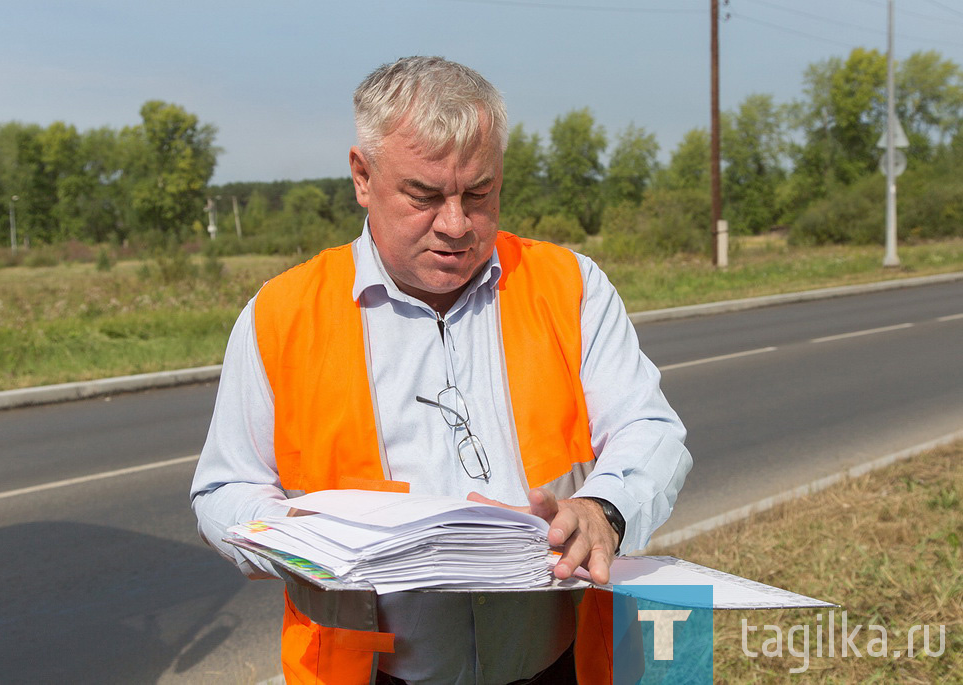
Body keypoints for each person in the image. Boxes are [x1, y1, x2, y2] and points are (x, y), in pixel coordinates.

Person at [191, 56, 691, 685]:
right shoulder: (282, 315)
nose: (455, 225)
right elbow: (221, 492)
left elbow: (651, 428)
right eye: (424, 196)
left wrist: (604, 509)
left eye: (479, 194)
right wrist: (298, 536)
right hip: (369, 673)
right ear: (362, 177)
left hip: (559, 663)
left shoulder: (571, 287)